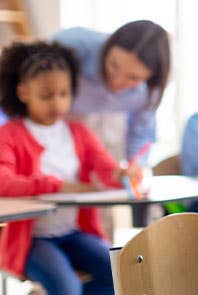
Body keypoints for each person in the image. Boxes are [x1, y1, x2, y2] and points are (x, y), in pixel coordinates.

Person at [0, 41, 137, 295]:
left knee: (121, 274)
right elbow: (3, 182)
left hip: (73, 232)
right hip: (32, 240)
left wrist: (121, 174)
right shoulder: (8, 135)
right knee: (67, 288)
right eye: (46, 95)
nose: (57, 104)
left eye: (64, 94)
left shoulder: (79, 132)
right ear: (22, 93)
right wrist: (57, 185)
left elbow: (106, 168)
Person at [53, 20, 170, 164]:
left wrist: (135, 165)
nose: (117, 81)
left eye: (133, 77)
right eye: (114, 65)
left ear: (150, 78)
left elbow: (141, 133)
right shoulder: (72, 45)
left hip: (98, 137)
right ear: (107, 46)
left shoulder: (150, 91)